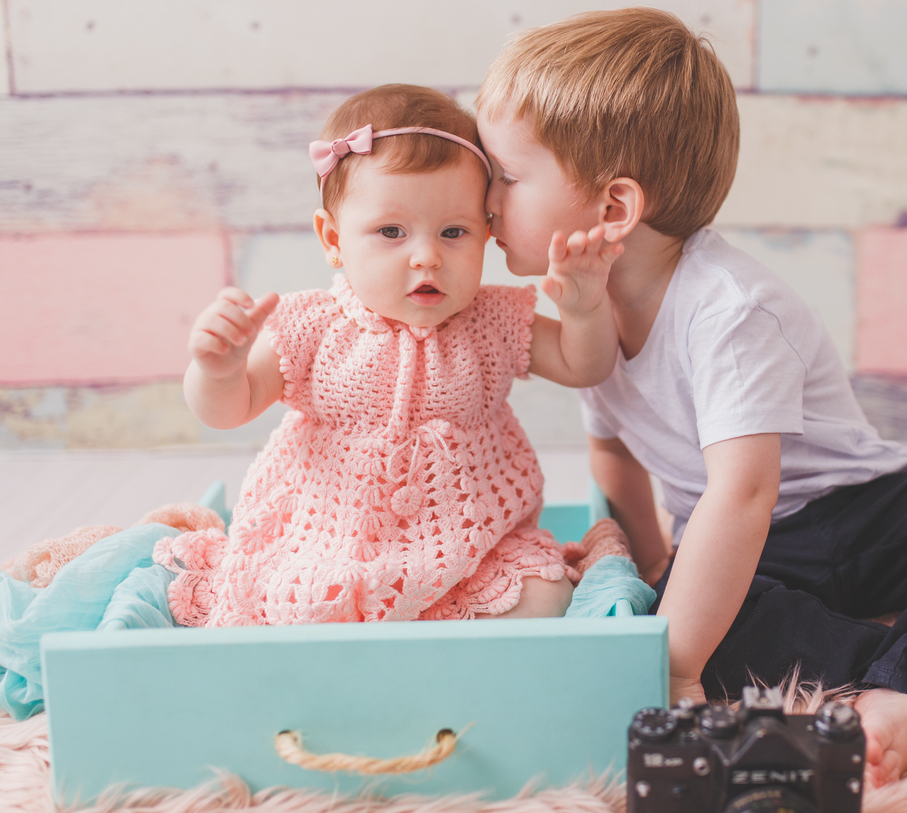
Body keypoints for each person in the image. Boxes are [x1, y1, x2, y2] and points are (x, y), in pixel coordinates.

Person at [474, 8, 907, 788]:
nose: (486, 197)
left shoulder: (726, 308)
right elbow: (613, 451)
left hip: (859, 512)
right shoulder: (586, 313)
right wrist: (656, 569)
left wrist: (678, 665)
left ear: (613, 209)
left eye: (505, 174)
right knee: (675, 621)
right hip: (759, 549)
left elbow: (745, 490)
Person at [157, 84, 625, 628]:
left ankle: (440, 654)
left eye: (454, 232)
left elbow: (583, 365)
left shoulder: (493, 320)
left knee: (545, 598)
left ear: (486, 232)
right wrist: (218, 369)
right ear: (333, 238)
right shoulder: (311, 325)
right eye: (391, 232)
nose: (426, 256)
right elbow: (228, 409)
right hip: (330, 541)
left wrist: (586, 310)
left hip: (471, 544)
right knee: (294, 609)